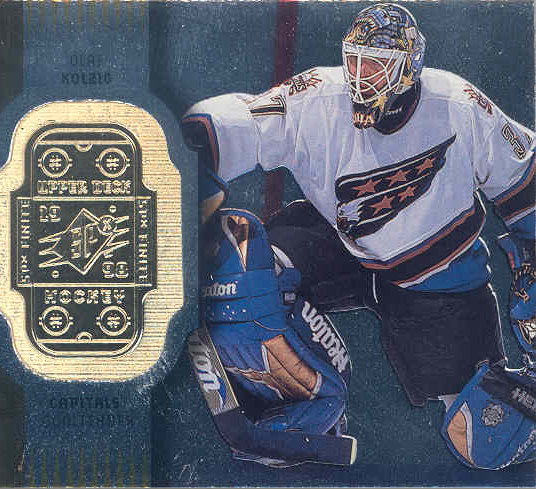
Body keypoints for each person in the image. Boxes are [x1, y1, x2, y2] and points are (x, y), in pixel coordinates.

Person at [184, 3, 536, 469]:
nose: (360, 76)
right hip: (339, 243)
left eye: (376, 64)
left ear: (410, 66)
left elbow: (526, 182)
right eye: (354, 60)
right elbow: (232, 123)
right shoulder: (317, 96)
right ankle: (305, 417)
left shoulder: (459, 104)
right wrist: (182, 146)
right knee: (241, 267)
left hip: (438, 274)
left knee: (485, 438)